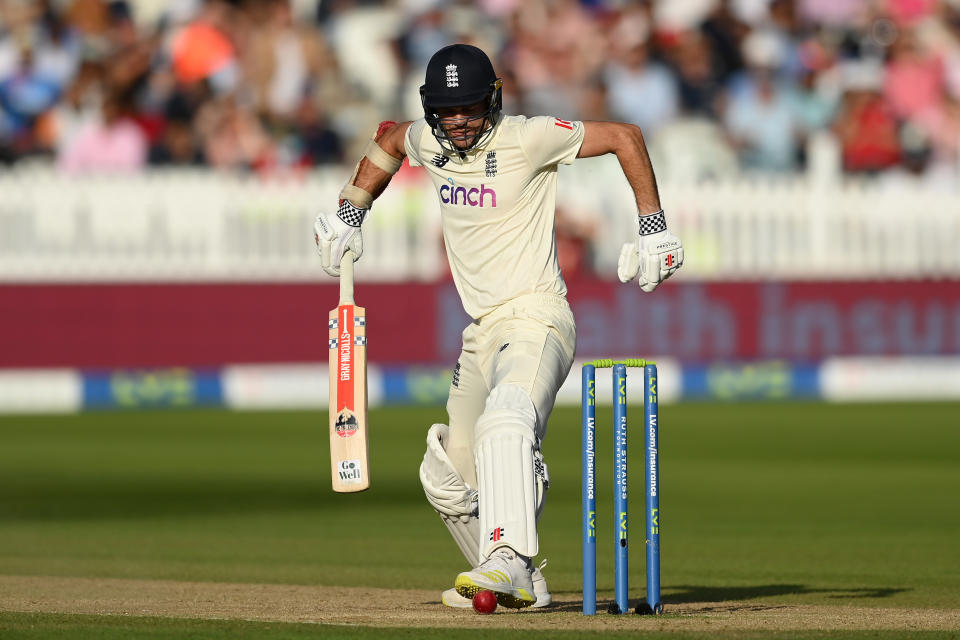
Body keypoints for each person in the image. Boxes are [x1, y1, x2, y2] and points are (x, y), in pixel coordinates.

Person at [314, 44, 683, 609]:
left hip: (537, 317)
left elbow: (625, 136)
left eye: (469, 108)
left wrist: (653, 228)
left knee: (505, 422)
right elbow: (389, 139)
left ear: (493, 99)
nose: (458, 121)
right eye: (447, 109)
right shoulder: (431, 139)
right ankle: (520, 578)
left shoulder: (527, 136)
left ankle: (508, 556)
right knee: (444, 474)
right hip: (481, 330)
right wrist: (350, 210)